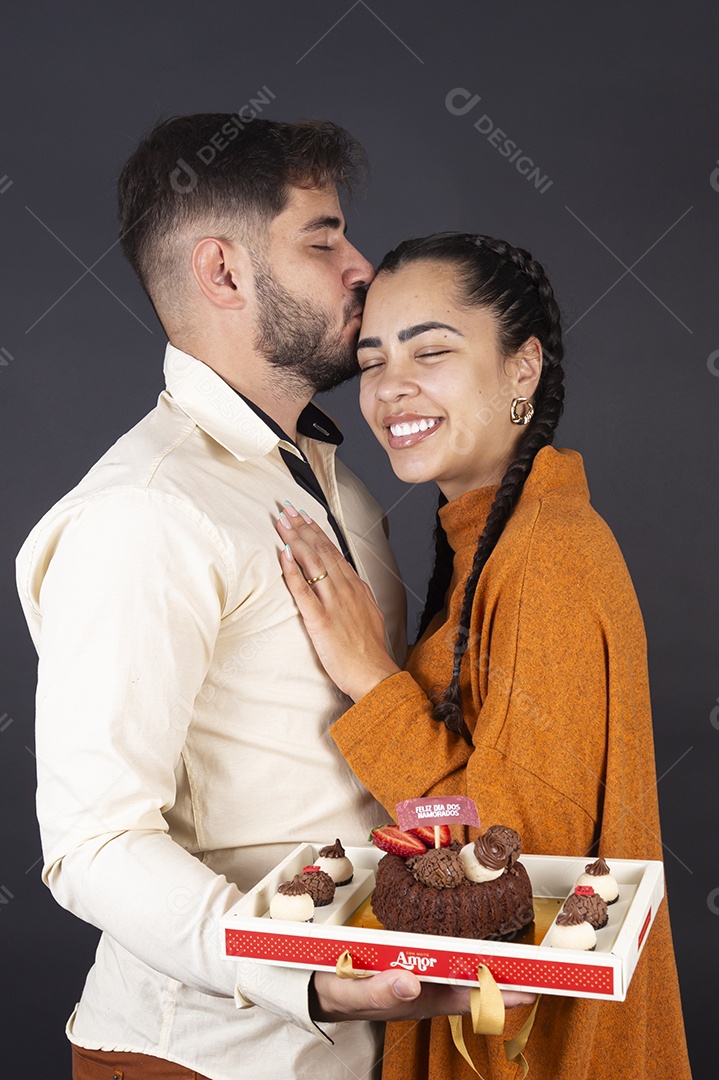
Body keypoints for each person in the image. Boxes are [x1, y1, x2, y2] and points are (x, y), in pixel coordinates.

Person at [16, 119, 527, 1080]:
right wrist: (305, 969)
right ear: (223, 273)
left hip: (361, 1044)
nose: (362, 268)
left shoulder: (336, 484)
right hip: (201, 1061)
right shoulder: (144, 511)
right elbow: (91, 841)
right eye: (322, 238)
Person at [277, 232, 692, 1079]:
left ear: (522, 370)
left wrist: (370, 680)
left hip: (529, 1048)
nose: (391, 386)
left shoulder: (546, 556)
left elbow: (507, 863)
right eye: (371, 358)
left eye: (430, 350)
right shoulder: (491, 542)